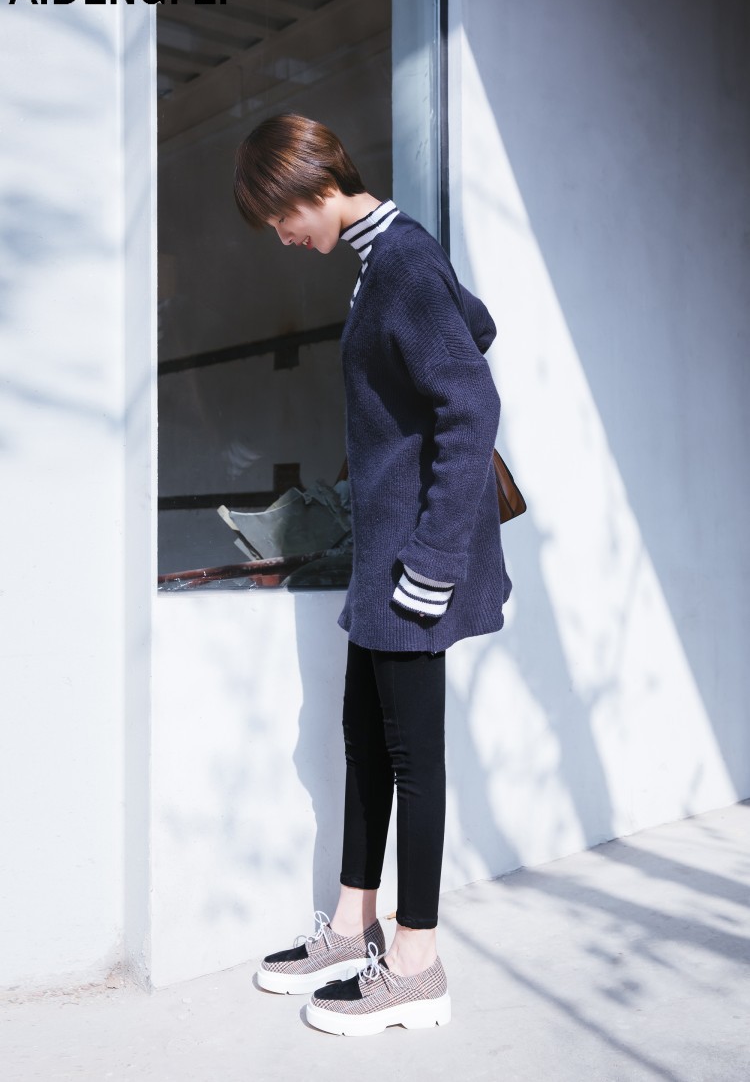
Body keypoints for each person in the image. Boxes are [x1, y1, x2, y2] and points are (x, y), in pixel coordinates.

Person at [233, 113, 512, 1037]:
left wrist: (434, 563)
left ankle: (418, 964)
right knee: (364, 737)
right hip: (381, 553)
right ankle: (354, 926)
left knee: (412, 757)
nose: (281, 236)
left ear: (314, 187)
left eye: (280, 218)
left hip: (412, 561)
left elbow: (471, 403)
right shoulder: (386, 261)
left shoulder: (400, 261)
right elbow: (476, 325)